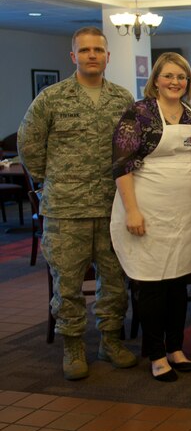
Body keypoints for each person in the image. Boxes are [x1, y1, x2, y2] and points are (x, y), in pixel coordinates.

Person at [18, 26, 137, 381]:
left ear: (107, 56)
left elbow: (130, 149)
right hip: (65, 210)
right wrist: (54, 179)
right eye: (84, 50)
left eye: (98, 50)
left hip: (112, 205)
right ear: (73, 56)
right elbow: (29, 146)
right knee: (68, 283)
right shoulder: (52, 99)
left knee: (114, 281)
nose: (91, 55)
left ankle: (111, 341)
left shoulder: (122, 98)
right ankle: (73, 346)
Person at [111, 52, 191, 382]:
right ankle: (155, 353)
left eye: (181, 76)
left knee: (178, 282)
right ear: (155, 79)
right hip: (146, 210)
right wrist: (132, 210)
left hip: (186, 214)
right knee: (151, 284)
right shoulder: (138, 113)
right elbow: (121, 165)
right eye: (168, 76)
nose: (175, 82)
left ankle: (176, 347)